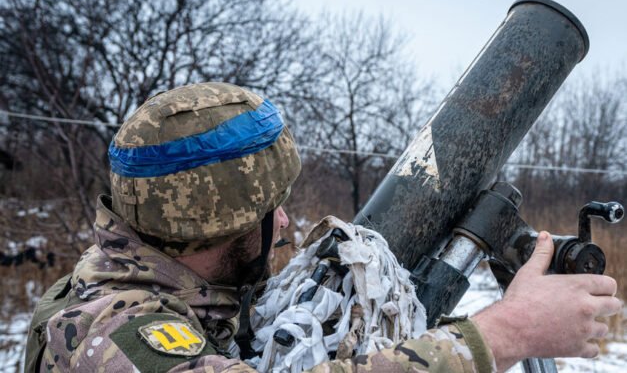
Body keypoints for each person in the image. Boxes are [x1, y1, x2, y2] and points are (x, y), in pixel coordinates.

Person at [25, 83, 622, 373]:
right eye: (271, 208)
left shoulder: (185, 287)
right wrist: (505, 333)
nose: (285, 221)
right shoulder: (111, 336)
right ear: (216, 224)